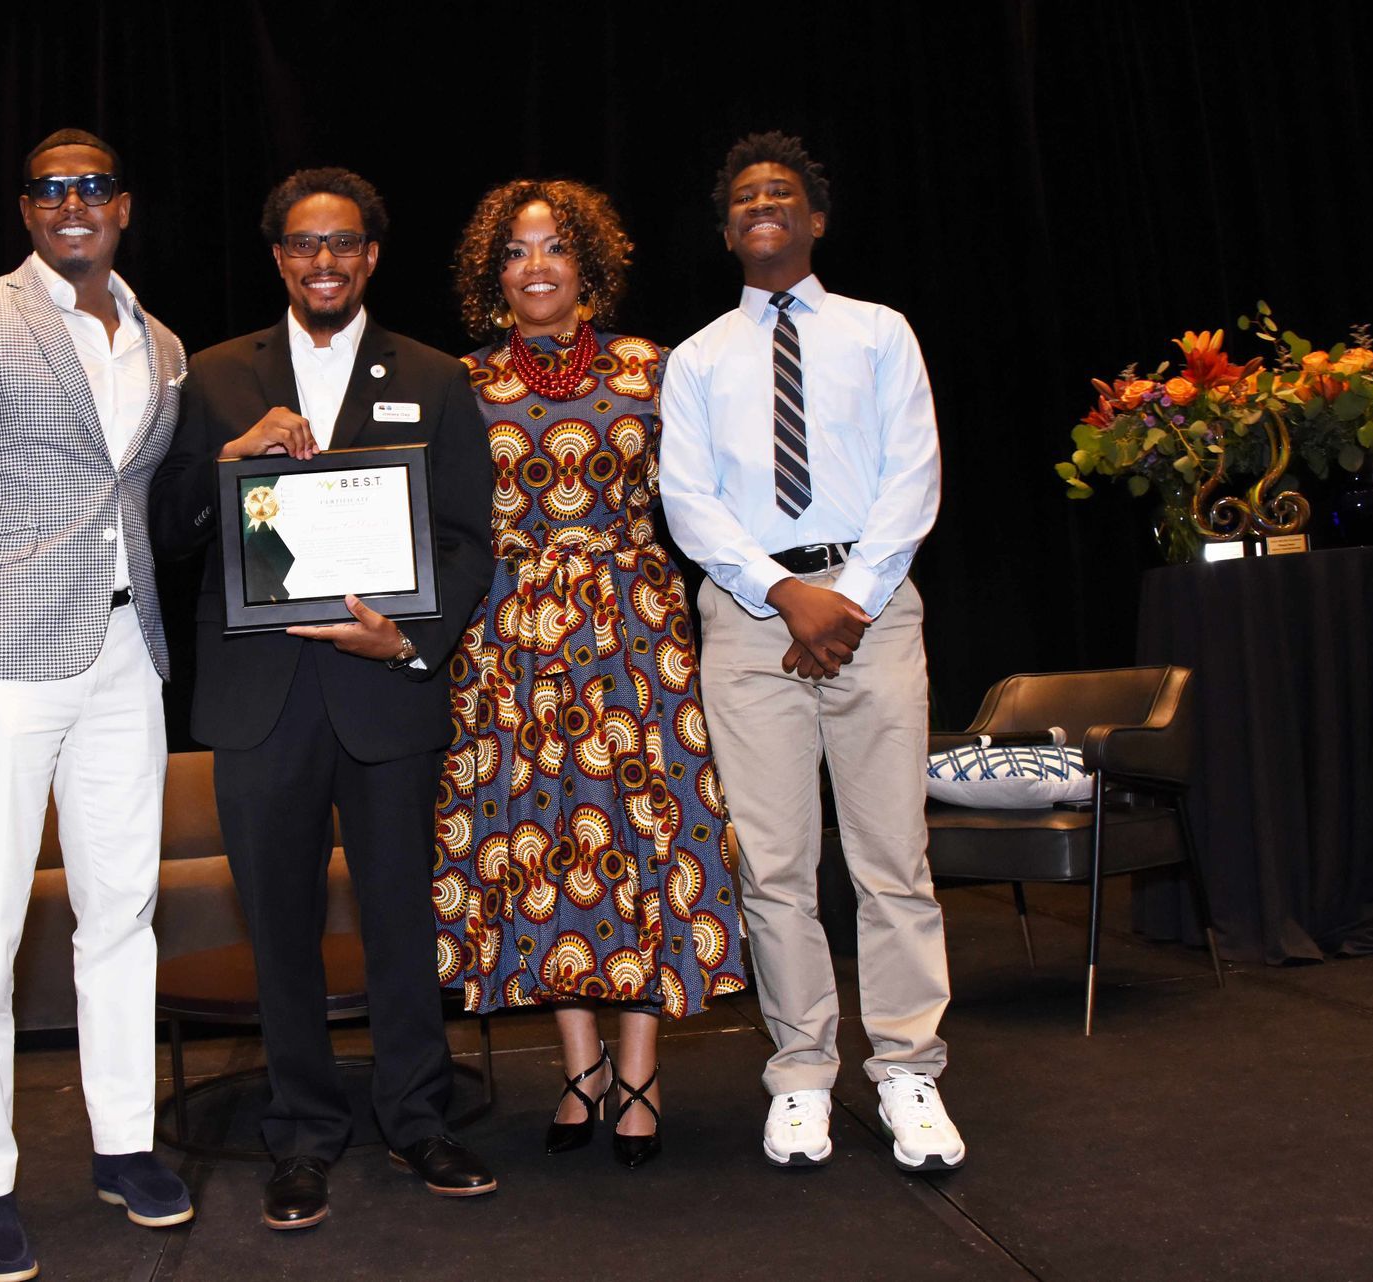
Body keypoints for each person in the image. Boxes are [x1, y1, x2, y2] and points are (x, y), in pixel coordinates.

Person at [149, 167, 497, 1231]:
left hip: (384, 689)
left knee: (399, 917)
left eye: (344, 243)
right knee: (282, 929)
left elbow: (466, 535)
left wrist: (411, 639)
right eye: (304, 245)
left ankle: (418, 1118)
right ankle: (300, 1134)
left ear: (373, 256)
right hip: (260, 701)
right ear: (278, 258)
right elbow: (162, 531)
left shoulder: (433, 376)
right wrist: (226, 461)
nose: (325, 262)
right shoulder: (211, 378)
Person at [0, 128, 194, 1282]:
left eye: (93, 186)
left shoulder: (159, 343)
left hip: (125, 655)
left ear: (123, 204)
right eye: (51, 189)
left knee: (123, 914)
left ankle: (126, 1147)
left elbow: (143, 489)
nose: (74, 204)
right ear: (27, 210)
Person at [659, 131, 966, 1173]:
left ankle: (907, 1070)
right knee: (777, 865)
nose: (763, 203)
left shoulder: (881, 334)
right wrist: (787, 596)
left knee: (892, 860)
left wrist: (846, 600)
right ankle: (800, 1072)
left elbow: (912, 479)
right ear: (727, 229)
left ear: (815, 219)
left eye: (781, 190)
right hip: (753, 620)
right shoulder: (697, 358)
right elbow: (688, 504)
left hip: (872, 608)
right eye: (744, 195)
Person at [434, 180, 746, 1169]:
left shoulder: (655, 367)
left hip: (633, 638)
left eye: (556, 247)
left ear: (590, 266)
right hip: (510, 643)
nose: (536, 265)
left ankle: (641, 1070)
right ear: (497, 274)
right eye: (517, 251)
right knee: (542, 851)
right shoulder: (462, 381)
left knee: (644, 840)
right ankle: (580, 1069)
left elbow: (706, 493)